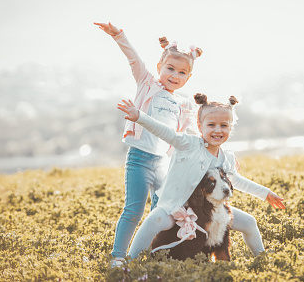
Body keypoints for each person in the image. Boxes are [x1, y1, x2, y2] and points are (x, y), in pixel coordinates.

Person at [117, 93, 285, 261]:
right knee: (154, 220)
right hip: (176, 206)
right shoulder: (188, 144)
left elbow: (236, 180)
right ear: (200, 125)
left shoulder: (226, 157)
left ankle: (262, 258)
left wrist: (266, 193)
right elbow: (166, 132)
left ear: (230, 128)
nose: (218, 130)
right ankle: (129, 260)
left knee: (249, 222)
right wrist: (140, 117)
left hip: (208, 211)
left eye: (224, 125)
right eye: (211, 124)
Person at [94, 22, 202, 268]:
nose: (175, 76)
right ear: (159, 67)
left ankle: (154, 253)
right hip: (139, 159)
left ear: (189, 76)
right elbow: (133, 59)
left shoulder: (183, 105)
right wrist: (118, 35)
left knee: (160, 213)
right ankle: (119, 256)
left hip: (164, 164)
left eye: (182, 72)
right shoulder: (147, 83)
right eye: (170, 69)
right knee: (133, 210)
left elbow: (191, 135)